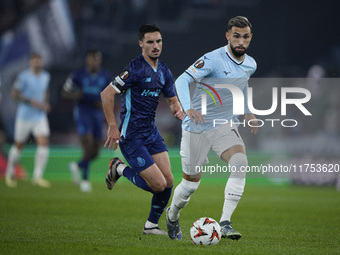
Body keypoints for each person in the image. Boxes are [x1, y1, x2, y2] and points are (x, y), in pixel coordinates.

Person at [165, 16, 258, 240]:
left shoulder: (250, 64)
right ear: (228, 36)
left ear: (250, 38)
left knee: (240, 162)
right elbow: (181, 81)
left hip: (224, 124)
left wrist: (247, 110)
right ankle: (172, 215)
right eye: (236, 36)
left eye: (245, 37)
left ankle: (225, 222)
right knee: (189, 186)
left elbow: (241, 86)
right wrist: (187, 108)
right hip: (196, 127)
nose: (241, 41)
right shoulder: (212, 59)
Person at [100, 24, 184, 235]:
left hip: (151, 133)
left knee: (169, 181)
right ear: (141, 44)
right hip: (132, 136)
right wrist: (112, 126)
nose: (156, 46)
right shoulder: (134, 69)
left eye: (158, 41)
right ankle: (118, 168)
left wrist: (180, 112)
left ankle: (151, 226)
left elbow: (173, 101)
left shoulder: (164, 70)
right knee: (158, 185)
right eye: (150, 42)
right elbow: (106, 94)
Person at [62, 49, 112, 192]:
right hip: (83, 113)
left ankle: (77, 166)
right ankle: (85, 180)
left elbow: (111, 94)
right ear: (87, 60)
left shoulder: (105, 76)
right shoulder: (77, 75)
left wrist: (103, 102)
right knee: (88, 144)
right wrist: (77, 95)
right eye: (92, 58)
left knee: (95, 151)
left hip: (97, 114)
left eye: (97, 58)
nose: (95, 61)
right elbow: (65, 92)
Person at [5, 53, 51, 188]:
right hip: (24, 116)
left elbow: (45, 92)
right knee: (19, 145)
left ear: (41, 62)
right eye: (34, 61)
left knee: (44, 143)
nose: (37, 63)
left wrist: (46, 103)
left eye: (39, 60)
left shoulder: (45, 76)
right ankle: (10, 173)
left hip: (39, 116)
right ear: (31, 62)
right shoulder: (23, 77)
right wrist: (30, 101)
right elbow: (14, 94)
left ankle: (37, 176)